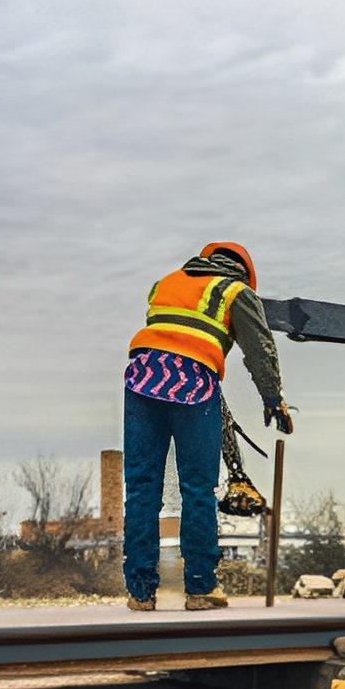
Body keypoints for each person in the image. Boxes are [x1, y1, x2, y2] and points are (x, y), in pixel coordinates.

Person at [122, 242, 293, 611]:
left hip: (142, 379)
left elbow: (173, 333)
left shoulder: (166, 282)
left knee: (141, 487)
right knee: (197, 487)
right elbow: (259, 348)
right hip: (192, 382)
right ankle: (200, 588)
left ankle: (140, 592)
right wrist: (272, 397)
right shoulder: (237, 291)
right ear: (244, 271)